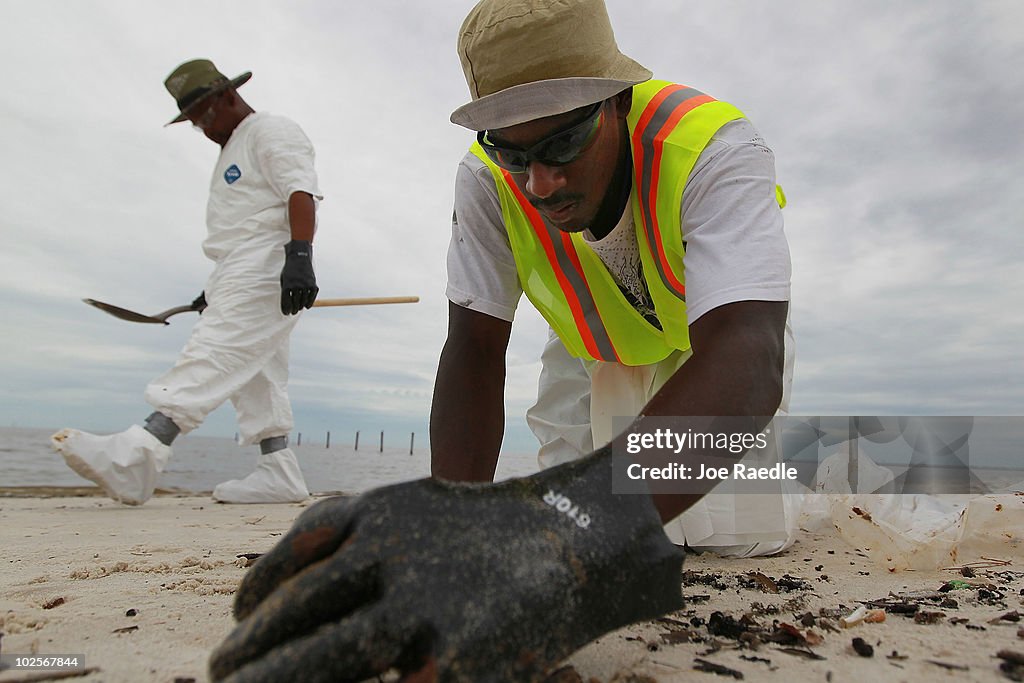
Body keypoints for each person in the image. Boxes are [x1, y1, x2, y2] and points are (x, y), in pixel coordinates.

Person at [207, 1, 795, 679]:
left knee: (737, 536)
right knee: (597, 532)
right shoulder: (487, 179)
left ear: (618, 103)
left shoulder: (712, 147)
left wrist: (579, 517)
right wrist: (451, 534)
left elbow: (750, 358)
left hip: (711, 352)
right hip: (593, 348)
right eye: (513, 152)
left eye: (562, 145)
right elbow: (473, 350)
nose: (540, 183)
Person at [51, 59, 322, 506]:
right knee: (258, 370)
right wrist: (212, 290)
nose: (201, 127)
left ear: (228, 96)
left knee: (216, 352)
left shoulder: (270, 130)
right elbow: (241, 224)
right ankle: (278, 472)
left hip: (265, 264)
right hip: (238, 267)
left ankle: (138, 454)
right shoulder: (232, 147)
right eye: (193, 121)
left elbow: (300, 192)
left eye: (204, 115)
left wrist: (299, 256)